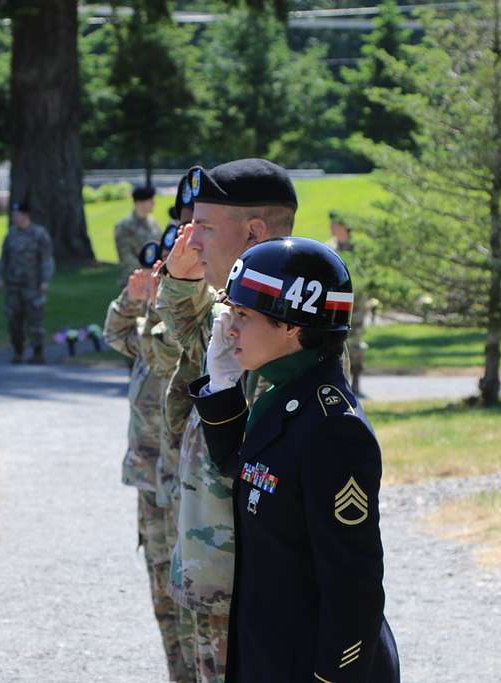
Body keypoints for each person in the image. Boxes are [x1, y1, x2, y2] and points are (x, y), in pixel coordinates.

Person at [191, 237, 399, 683]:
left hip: (311, 666)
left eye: (243, 316)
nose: (230, 331)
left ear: (292, 325)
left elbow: (353, 582)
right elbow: (246, 473)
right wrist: (223, 386)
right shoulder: (284, 396)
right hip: (271, 651)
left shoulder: (331, 427)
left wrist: (331, 677)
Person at [155, 159, 298, 682]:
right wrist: (178, 280)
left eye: (206, 229)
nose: (193, 243)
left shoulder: (284, 318)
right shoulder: (245, 309)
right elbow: (195, 342)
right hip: (214, 569)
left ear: (254, 233)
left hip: (244, 579)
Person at [104, 232, 193, 682]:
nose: (158, 279)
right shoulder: (150, 319)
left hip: (179, 482)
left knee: (190, 600)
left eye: (165, 272)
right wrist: (132, 296)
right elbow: (115, 334)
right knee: (163, 600)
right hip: (149, 478)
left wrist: (164, 299)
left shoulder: (177, 325)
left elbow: (165, 353)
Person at [0, 200, 54, 364]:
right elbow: (4, 259)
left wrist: (45, 280)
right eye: (14, 215)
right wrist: (0, 278)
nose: (15, 218)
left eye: (18, 215)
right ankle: (17, 351)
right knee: (13, 319)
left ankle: (38, 351)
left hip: (33, 285)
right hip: (13, 285)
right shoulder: (11, 234)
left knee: (35, 319)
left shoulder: (39, 234)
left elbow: (46, 260)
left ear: (26, 215)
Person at [328, 210, 369, 395]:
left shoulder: (360, 251)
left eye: (335, 224)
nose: (332, 228)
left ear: (344, 227)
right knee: (335, 341)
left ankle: (357, 381)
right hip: (335, 303)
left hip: (358, 302)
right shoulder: (328, 249)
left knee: (356, 342)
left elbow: (368, 275)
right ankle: (339, 382)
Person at [115, 185, 160, 286]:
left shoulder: (153, 223)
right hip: (134, 281)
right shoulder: (124, 226)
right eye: (150, 200)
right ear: (140, 202)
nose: (153, 203)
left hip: (154, 279)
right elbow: (125, 256)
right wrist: (146, 271)